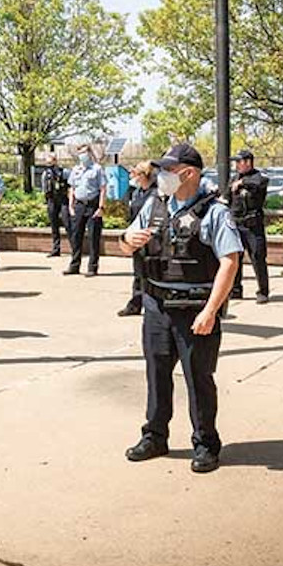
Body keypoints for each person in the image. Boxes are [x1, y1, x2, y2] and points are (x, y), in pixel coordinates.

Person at [118, 142, 241, 473]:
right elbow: (125, 242)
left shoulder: (215, 212)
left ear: (188, 173)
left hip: (194, 309)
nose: (161, 175)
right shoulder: (155, 204)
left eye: (168, 170)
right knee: (156, 374)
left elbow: (230, 262)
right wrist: (127, 241)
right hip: (157, 306)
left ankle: (206, 443)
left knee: (198, 379)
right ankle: (155, 436)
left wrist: (211, 311)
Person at [229, 149, 270, 303]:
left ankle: (263, 291)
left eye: (238, 162)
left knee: (258, 258)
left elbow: (260, 183)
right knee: (235, 258)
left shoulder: (258, 177)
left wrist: (242, 183)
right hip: (237, 224)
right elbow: (227, 196)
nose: (236, 165)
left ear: (247, 162)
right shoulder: (234, 178)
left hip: (253, 227)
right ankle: (236, 289)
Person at [118, 161, 157, 317]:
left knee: (150, 272)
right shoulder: (136, 192)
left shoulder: (155, 193)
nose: (132, 176)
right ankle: (136, 303)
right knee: (138, 272)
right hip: (136, 236)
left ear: (143, 175)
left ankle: (150, 303)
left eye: (134, 173)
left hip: (150, 237)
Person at [65, 143, 106, 277]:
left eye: (84, 153)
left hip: (93, 205)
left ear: (89, 153)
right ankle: (74, 265)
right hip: (79, 206)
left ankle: (92, 267)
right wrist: (71, 206)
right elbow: (72, 188)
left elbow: (103, 189)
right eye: (80, 153)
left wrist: (101, 207)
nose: (82, 156)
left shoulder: (97, 169)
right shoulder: (76, 169)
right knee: (76, 236)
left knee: (93, 237)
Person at [41, 151, 70, 257]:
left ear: (55, 161)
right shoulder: (45, 174)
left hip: (63, 200)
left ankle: (74, 247)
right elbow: (44, 188)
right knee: (54, 225)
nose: (49, 165)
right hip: (51, 200)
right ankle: (56, 249)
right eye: (47, 163)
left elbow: (71, 185)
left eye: (51, 162)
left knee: (67, 223)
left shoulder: (64, 172)